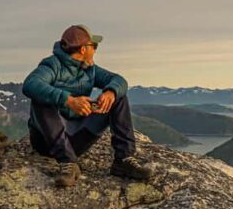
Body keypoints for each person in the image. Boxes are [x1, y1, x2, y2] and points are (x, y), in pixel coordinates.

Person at [22, 24, 152, 187]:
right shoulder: (52, 65)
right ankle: (68, 164)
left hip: (78, 136)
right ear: (83, 49)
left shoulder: (90, 69)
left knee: (118, 97)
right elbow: (30, 84)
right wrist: (68, 100)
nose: (96, 50)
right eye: (94, 46)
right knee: (41, 100)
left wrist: (110, 92)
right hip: (48, 142)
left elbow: (119, 80)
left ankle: (123, 160)